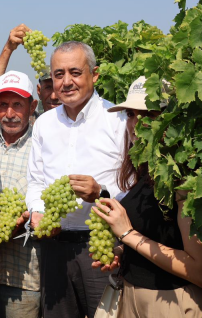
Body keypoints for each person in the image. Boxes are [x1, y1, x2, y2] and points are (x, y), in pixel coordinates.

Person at [92, 76, 202, 317]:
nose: (135, 124)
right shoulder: (150, 170)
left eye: (148, 114)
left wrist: (128, 235)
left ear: (172, 118)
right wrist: (121, 252)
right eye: (130, 114)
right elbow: (158, 239)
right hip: (134, 298)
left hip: (172, 305)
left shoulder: (185, 180)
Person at [25, 41, 127, 318]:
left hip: (101, 247)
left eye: (75, 72)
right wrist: (37, 212)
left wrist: (102, 192)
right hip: (54, 249)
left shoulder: (118, 120)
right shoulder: (44, 124)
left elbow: (131, 186)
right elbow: (35, 182)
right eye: (58, 74)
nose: (66, 82)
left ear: (94, 75)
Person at [0, 71, 42, 318]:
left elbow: (55, 206)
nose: (10, 113)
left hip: (23, 276)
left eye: (17, 105)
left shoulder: (43, 146)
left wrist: (28, 223)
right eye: (3, 105)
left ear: (32, 106)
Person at [0, 24, 60, 120]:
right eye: (48, 87)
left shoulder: (79, 121)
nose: (54, 96)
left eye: (58, 87)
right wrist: (8, 48)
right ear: (39, 91)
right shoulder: (30, 121)